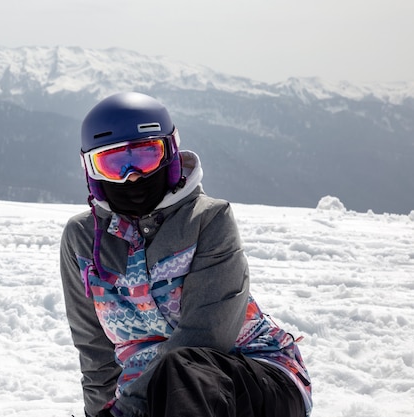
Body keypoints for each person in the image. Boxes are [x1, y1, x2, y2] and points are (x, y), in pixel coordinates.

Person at [60, 92, 312, 417]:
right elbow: (94, 348)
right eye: (113, 164)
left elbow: (205, 336)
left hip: (254, 376)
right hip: (149, 401)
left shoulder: (208, 219)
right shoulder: (82, 240)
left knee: (182, 369)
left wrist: (127, 409)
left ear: (170, 153)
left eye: (146, 156)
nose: (132, 175)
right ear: (91, 171)